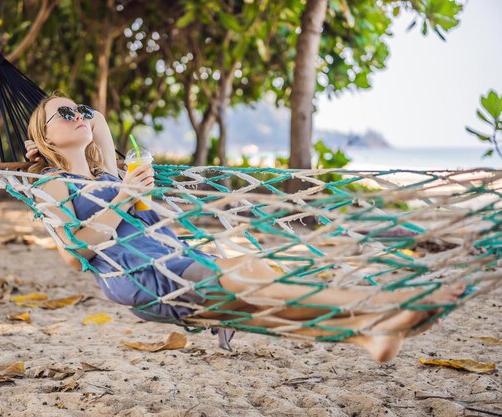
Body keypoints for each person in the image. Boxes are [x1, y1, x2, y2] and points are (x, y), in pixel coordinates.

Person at [23, 92, 465, 362]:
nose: (79, 116)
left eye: (77, 109)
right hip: (148, 277)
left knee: (259, 293)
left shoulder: (108, 174)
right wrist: (121, 198)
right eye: (65, 116)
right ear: (44, 137)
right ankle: (385, 304)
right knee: (251, 281)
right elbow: (74, 254)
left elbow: (98, 120)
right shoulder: (53, 186)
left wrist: (71, 121)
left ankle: (370, 333)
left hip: (177, 257)